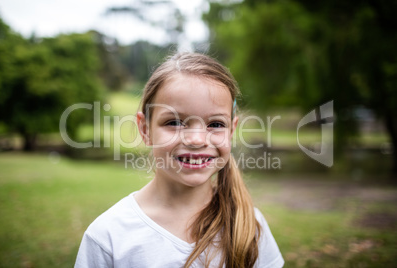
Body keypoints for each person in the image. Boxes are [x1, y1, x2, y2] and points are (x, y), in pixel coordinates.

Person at [74, 52, 284, 268]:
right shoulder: (108, 237)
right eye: (174, 122)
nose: (196, 139)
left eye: (216, 124)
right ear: (145, 129)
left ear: (231, 131)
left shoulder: (250, 226)